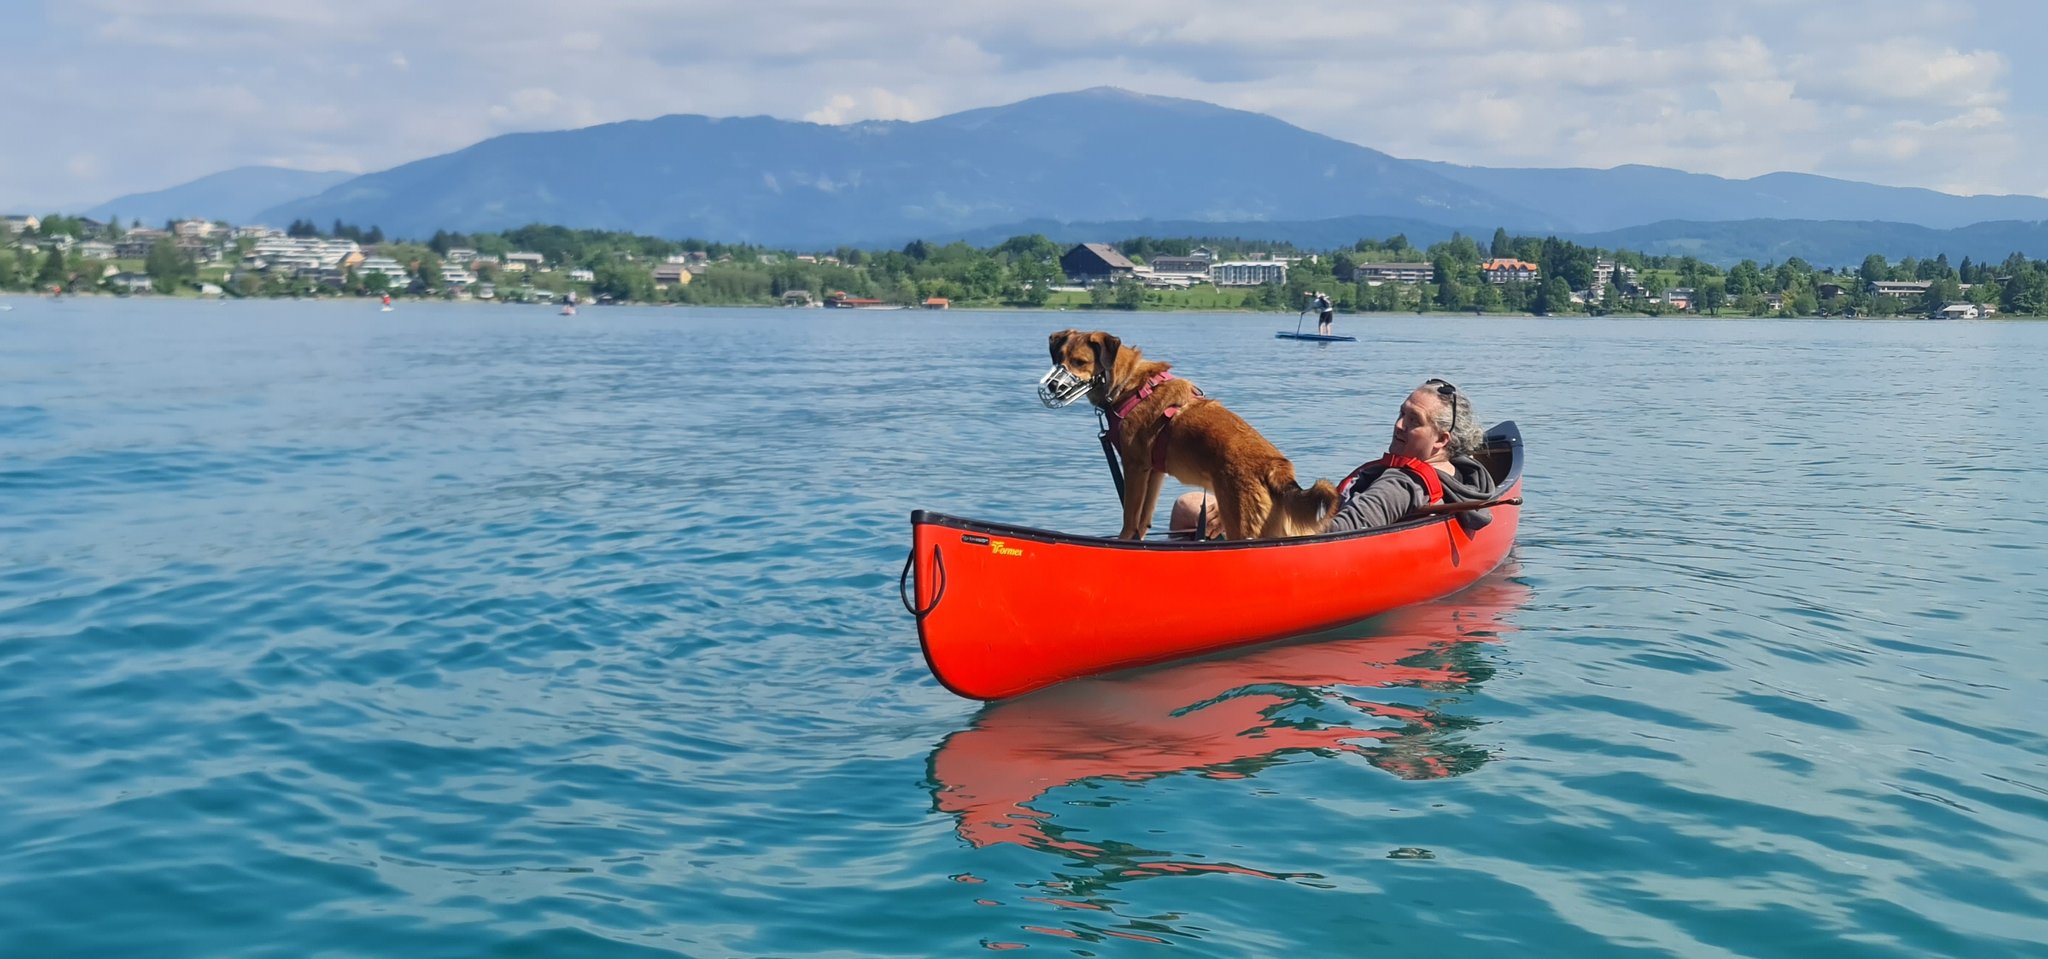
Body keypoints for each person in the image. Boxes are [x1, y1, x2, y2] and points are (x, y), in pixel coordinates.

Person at [1168, 378, 1496, 537]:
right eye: (1401, 414)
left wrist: (1242, 509)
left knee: (1188, 505)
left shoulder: (1401, 483)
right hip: (1316, 540)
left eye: (1413, 422)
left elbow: (1342, 532)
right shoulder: (1460, 474)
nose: (1398, 425)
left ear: (1442, 439)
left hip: (1311, 553)